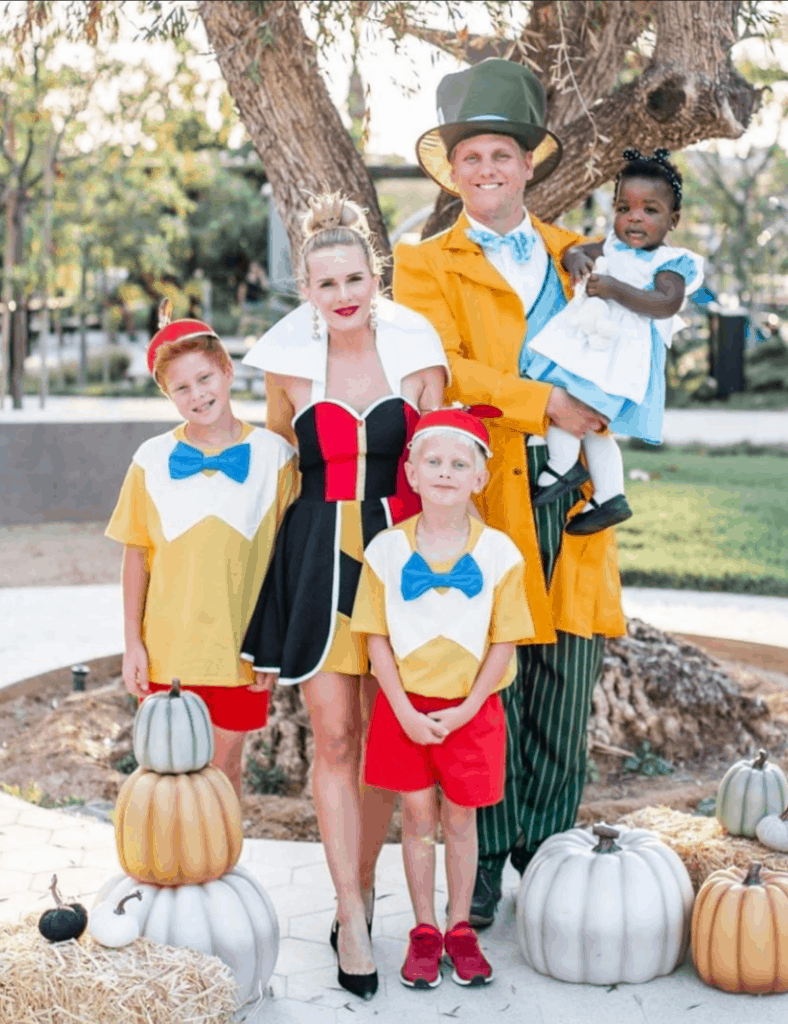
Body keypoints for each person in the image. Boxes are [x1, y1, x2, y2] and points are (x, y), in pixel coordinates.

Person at [393, 58, 626, 929]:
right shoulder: (421, 265)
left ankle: (553, 856)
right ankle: (483, 859)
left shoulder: (582, 257)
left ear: (530, 164)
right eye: (471, 159)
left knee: (565, 680)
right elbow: (448, 369)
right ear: (452, 173)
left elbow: (626, 343)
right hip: (486, 497)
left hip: (574, 496)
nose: (487, 171)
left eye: (502, 155)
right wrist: (547, 403)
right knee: (491, 686)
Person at [239, 194, 448, 999]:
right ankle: (351, 911)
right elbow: (280, 469)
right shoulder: (289, 366)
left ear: (375, 274)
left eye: (355, 278)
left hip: (400, 556)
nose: (343, 295)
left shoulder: (419, 353)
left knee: (386, 743)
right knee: (335, 737)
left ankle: (360, 888)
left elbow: (443, 459)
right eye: (325, 284)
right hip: (317, 553)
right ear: (307, 290)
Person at [351, 407, 534, 990]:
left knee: (460, 820)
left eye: (461, 463)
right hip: (403, 709)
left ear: (480, 478)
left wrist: (466, 707)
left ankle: (460, 927)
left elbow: (504, 644)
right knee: (416, 820)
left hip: (471, 710)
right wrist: (402, 708)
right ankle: (424, 929)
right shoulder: (384, 550)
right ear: (411, 471)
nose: (446, 472)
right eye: (434, 461)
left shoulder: (500, 554)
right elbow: (375, 638)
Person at [106, 307, 296, 798]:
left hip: (240, 650)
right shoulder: (150, 460)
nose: (198, 395)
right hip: (168, 651)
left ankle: (219, 869)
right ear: (167, 396)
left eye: (205, 378)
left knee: (223, 772)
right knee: (171, 780)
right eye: (181, 389)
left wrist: (272, 646)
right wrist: (133, 643)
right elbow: (135, 558)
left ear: (227, 371)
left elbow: (285, 565)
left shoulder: (275, 457)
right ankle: (176, 872)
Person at [524, 147, 706, 533]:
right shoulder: (612, 246)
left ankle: (560, 469)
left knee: (568, 408)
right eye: (624, 208)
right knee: (590, 423)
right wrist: (575, 259)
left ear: (673, 220)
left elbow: (666, 303)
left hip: (620, 358)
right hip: (595, 350)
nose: (634, 217)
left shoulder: (668, 263)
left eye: (650, 210)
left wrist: (615, 289)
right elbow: (574, 251)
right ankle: (610, 495)